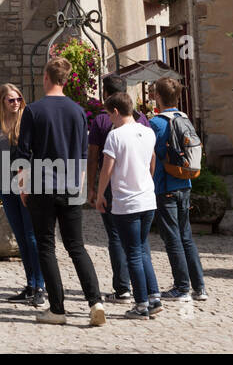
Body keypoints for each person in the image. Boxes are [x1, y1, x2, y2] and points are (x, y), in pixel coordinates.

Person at [18, 57, 105, 326]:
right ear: (65, 80)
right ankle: (95, 302)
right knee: (76, 246)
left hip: (42, 186)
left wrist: (22, 186)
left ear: (46, 77)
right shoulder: (78, 112)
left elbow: (23, 154)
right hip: (71, 185)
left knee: (46, 246)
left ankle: (57, 309)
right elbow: (81, 155)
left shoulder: (33, 110)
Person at [94, 91, 163, 319]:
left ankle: (141, 304)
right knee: (143, 249)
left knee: (132, 252)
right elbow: (152, 161)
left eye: (109, 114)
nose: (109, 119)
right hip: (147, 198)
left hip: (127, 201)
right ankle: (154, 298)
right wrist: (146, 182)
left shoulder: (115, 135)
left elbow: (107, 168)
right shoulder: (148, 131)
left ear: (115, 111)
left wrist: (100, 193)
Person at [87, 74, 151, 302]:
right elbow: (151, 156)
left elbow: (94, 158)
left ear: (105, 94)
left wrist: (93, 189)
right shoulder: (141, 119)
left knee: (115, 237)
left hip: (114, 187)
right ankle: (147, 290)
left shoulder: (102, 121)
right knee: (140, 243)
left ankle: (123, 288)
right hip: (141, 188)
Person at [149, 76, 208, 303]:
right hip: (185, 183)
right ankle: (199, 287)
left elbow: (150, 155)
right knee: (186, 236)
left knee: (172, 237)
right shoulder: (185, 119)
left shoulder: (156, 123)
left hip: (165, 186)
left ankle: (181, 287)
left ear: (158, 96)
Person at [0, 83, 45, 306]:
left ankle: (40, 285)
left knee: (32, 237)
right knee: (20, 237)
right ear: (2, 102)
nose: (15, 103)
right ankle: (30, 284)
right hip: (5, 186)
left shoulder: (28, 122)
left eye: (18, 99)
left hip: (27, 186)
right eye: (10, 100)